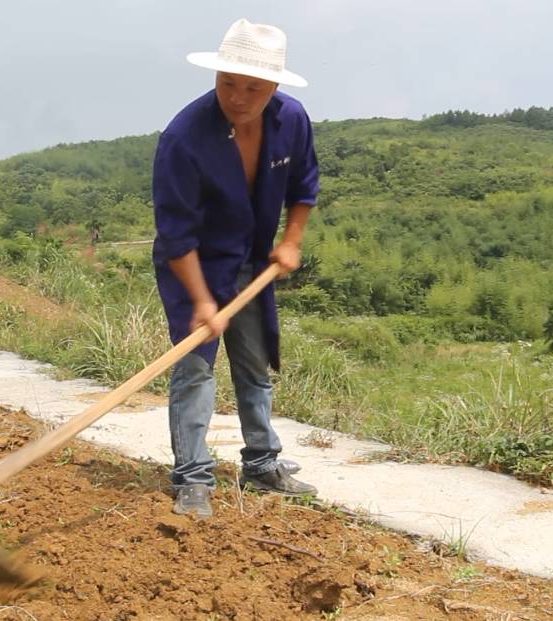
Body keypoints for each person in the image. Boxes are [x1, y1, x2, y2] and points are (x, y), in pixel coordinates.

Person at [152, 18, 320, 519]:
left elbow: (304, 185)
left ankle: (262, 464)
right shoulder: (184, 137)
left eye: (254, 87)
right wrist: (203, 301)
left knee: (254, 364)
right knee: (195, 369)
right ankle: (192, 477)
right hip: (194, 266)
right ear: (216, 75)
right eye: (228, 83)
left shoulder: (291, 120)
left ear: (274, 86)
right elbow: (176, 234)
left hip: (252, 260)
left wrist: (290, 241)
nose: (239, 97)